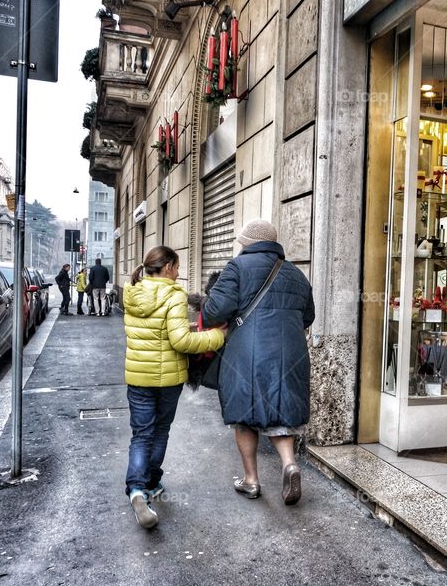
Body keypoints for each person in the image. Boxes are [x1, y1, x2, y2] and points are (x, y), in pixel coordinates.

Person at [202, 219, 315, 506]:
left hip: (247, 351)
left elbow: (215, 311)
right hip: (291, 352)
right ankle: (289, 464)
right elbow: (308, 317)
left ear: (248, 243)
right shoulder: (296, 274)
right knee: (280, 410)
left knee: (245, 414)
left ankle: (251, 480)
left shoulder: (237, 268)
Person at [123, 246, 225, 528]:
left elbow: (150, 335)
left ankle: (136, 490)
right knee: (160, 431)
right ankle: (152, 483)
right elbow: (181, 341)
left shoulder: (132, 293)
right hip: (167, 380)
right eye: (177, 267)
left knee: (141, 435)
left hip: (138, 377)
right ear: (167, 267)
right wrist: (217, 336)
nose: (179, 273)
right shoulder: (173, 295)